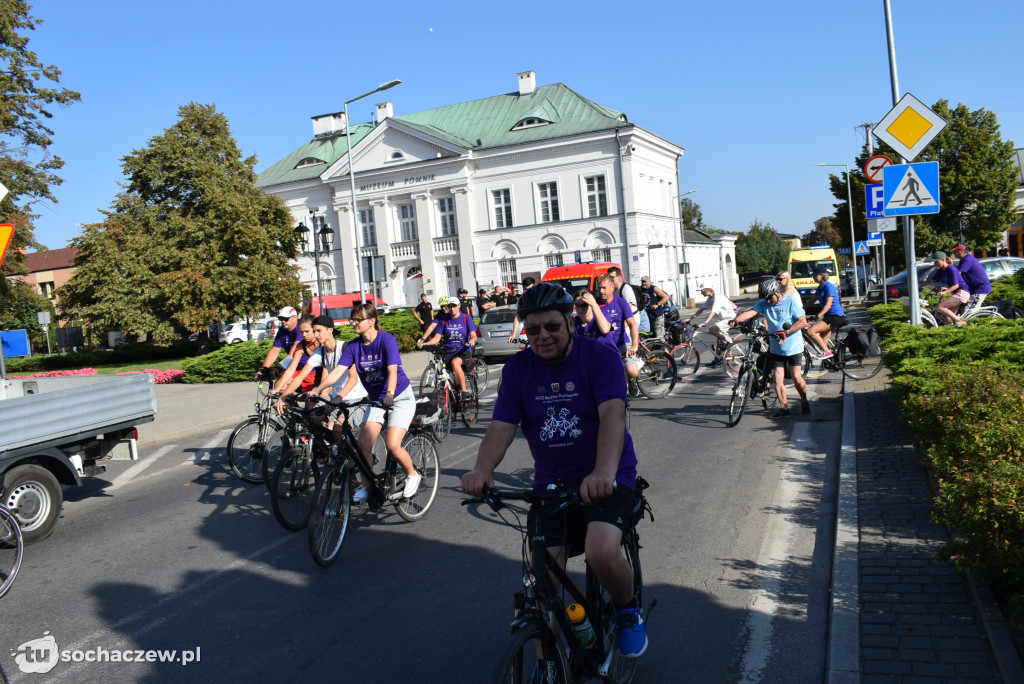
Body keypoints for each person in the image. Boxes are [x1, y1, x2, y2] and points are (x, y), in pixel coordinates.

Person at [460, 283, 647, 662]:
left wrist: (603, 472)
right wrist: (482, 469)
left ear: (570, 323)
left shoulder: (600, 358)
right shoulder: (518, 369)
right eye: (533, 330)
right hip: (552, 485)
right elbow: (501, 428)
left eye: (552, 327)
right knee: (542, 580)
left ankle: (628, 610)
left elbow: (613, 416)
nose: (542, 336)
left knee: (599, 549)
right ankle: (549, 666)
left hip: (608, 475)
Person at [316, 304, 420, 502]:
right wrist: (317, 390)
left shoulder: (386, 340)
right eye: (352, 319)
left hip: (398, 397)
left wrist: (389, 393)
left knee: (392, 445)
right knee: (364, 444)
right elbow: (337, 372)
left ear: (372, 321)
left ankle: (412, 475)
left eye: (358, 320)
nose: (353, 323)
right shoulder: (354, 346)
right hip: (376, 400)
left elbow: (392, 371)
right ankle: (367, 487)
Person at [273, 315, 367, 434]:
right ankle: (327, 450)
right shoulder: (319, 353)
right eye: (314, 331)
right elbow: (300, 377)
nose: (316, 335)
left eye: (319, 331)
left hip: (354, 398)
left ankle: (344, 452)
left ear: (330, 330)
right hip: (334, 397)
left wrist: (334, 397)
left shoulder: (345, 348)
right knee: (312, 420)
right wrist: (283, 397)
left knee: (337, 429)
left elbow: (353, 380)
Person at [731, 278, 811, 417]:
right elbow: (750, 312)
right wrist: (736, 320)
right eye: (766, 299)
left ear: (777, 292)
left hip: (793, 346)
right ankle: (784, 408)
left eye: (770, 298)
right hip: (776, 347)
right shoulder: (764, 303)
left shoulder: (790, 301)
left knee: (796, 377)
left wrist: (786, 332)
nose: (768, 301)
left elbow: (802, 322)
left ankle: (804, 401)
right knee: (778, 377)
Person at [417, 295, 479, 400]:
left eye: (454, 306)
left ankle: (464, 391)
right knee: (447, 374)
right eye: (450, 306)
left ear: (459, 306)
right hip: (449, 350)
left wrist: (472, 340)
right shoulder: (444, 320)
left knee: (455, 363)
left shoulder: (465, 318)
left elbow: (474, 335)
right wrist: (426, 343)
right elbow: (436, 338)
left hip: (463, 350)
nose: (452, 309)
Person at [595, 274, 641, 385]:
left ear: (612, 288)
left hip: (621, 343)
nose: (601, 291)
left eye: (604, 288)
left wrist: (634, 345)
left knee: (633, 372)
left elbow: (632, 324)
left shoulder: (621, 302)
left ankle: (631, 380)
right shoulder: (595, 304)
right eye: (599, 288)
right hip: (604, 345)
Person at [805, 266, 846, 358]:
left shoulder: (829, 286)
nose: (814, 277)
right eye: (813, 275)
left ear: (822, 275)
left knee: (810, 331)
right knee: (823, 342)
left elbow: (828, 305)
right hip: (829, 317)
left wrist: (817, 316)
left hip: (835, 316)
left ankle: (827, 352)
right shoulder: (820, 287)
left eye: (816, 275)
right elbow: (811, 301)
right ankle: (834, 360)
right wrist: (801, 309)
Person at [274, 314, 321, 394]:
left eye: (307, 331)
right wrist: (276, 390)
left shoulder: (322, 343)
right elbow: (291, 369)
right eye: (301, 332)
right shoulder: (301, 345)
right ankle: (291, 404)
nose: (304, 335)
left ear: (314, 329)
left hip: (323, 373)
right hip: (305, 371)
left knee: (311, 403)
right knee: (280, 386)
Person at [683, 283, 737, 353]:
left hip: (729, 319)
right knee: (719, 340)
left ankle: (730, 342)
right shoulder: (711, 298)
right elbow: (702, 309)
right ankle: (717, 360)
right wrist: (690, 319)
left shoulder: (717, 297)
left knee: (712, 329)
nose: (701, 293)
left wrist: (705, 323)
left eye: (702, 291)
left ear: (708, 289)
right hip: (723, 320)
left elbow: (713, 312)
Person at [926, 252, 970, 326]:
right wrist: (918, 286)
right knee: (948, 319)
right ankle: (953, 333)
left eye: (936, 261)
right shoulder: (941, 270)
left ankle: (961, 322)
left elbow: (956, 285)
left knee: (939, 307)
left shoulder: (951, 269)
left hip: (962, 293)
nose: (934, 263)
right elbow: (931, 280)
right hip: (956, 293)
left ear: (943, 260)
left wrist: (945, 292)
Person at [256, 306, 302, 379]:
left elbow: (295, 349)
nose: (283, 321)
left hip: (308, 367)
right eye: (281, 319)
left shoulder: (301, 327)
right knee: (278, 385)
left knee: (283, 386)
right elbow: (274, 351)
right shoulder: (282, 330)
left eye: (286, 319)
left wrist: (281, 367)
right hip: (294, 366)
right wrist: (264, 370)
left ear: (295, 317)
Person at [607, 266, 649, 334]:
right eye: (608, 277)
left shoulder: (625, 288)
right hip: (621, 319)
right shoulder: (612, 290)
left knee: (625, 339)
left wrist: (624, 326)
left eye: (612, 277)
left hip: (632, 318)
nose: (610, 280)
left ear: (619, 277)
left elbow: (628, 309)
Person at [951, 242, 992, 309]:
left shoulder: (967, 260)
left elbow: (957, 274)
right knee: (962, 308)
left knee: (969, 310)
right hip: (973, 289)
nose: (954, 253)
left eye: (955, 251)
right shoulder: (963, 260)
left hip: (980, 289)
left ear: (961, 251)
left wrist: (949, 286)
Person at [506, 276, 538, 343]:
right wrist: (514, 334)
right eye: (526, 289)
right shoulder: (523, 299)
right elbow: (517, 317)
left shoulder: (542, 295)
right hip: (531, 330)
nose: (529, 291)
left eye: (531, 288)